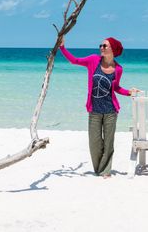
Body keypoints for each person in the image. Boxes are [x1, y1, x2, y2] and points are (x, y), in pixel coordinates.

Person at [59, 37, 140, 178]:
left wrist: (129, 92)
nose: (101, 47)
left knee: (109, 143)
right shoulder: (93, 60)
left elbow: (115, 88)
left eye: (105, 45)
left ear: (112, 49)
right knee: (94, 143)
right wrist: (62, 48)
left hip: (110, 111)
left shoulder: (118, 69)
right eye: (101, 45)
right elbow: (74, 61)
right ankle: (99, 169)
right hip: (94, 110)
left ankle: (106, 171)